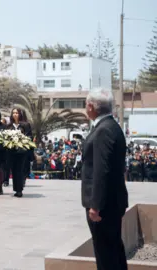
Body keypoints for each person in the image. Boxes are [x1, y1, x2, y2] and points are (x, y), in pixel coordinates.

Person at [81, 88, 128, 270]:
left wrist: (96, 205)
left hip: (104, 205)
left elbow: (102, 170)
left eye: (86, 104)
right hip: (111, 202)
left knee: (106, 254)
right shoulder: (111, 126)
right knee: (113, 250)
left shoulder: (103, 130)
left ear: (91, 106)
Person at [6, 108, 32, 198]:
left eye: (17, 113)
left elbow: (29, 136)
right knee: (13, 170)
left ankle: (20, 190)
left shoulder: (25, 125)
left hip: (21, 151)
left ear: (20, 114)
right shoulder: (9, 126)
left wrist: (22, 140)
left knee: (20, 170)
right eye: (13, 113)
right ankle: (16, 189)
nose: (15, 114)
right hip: (12, 151)